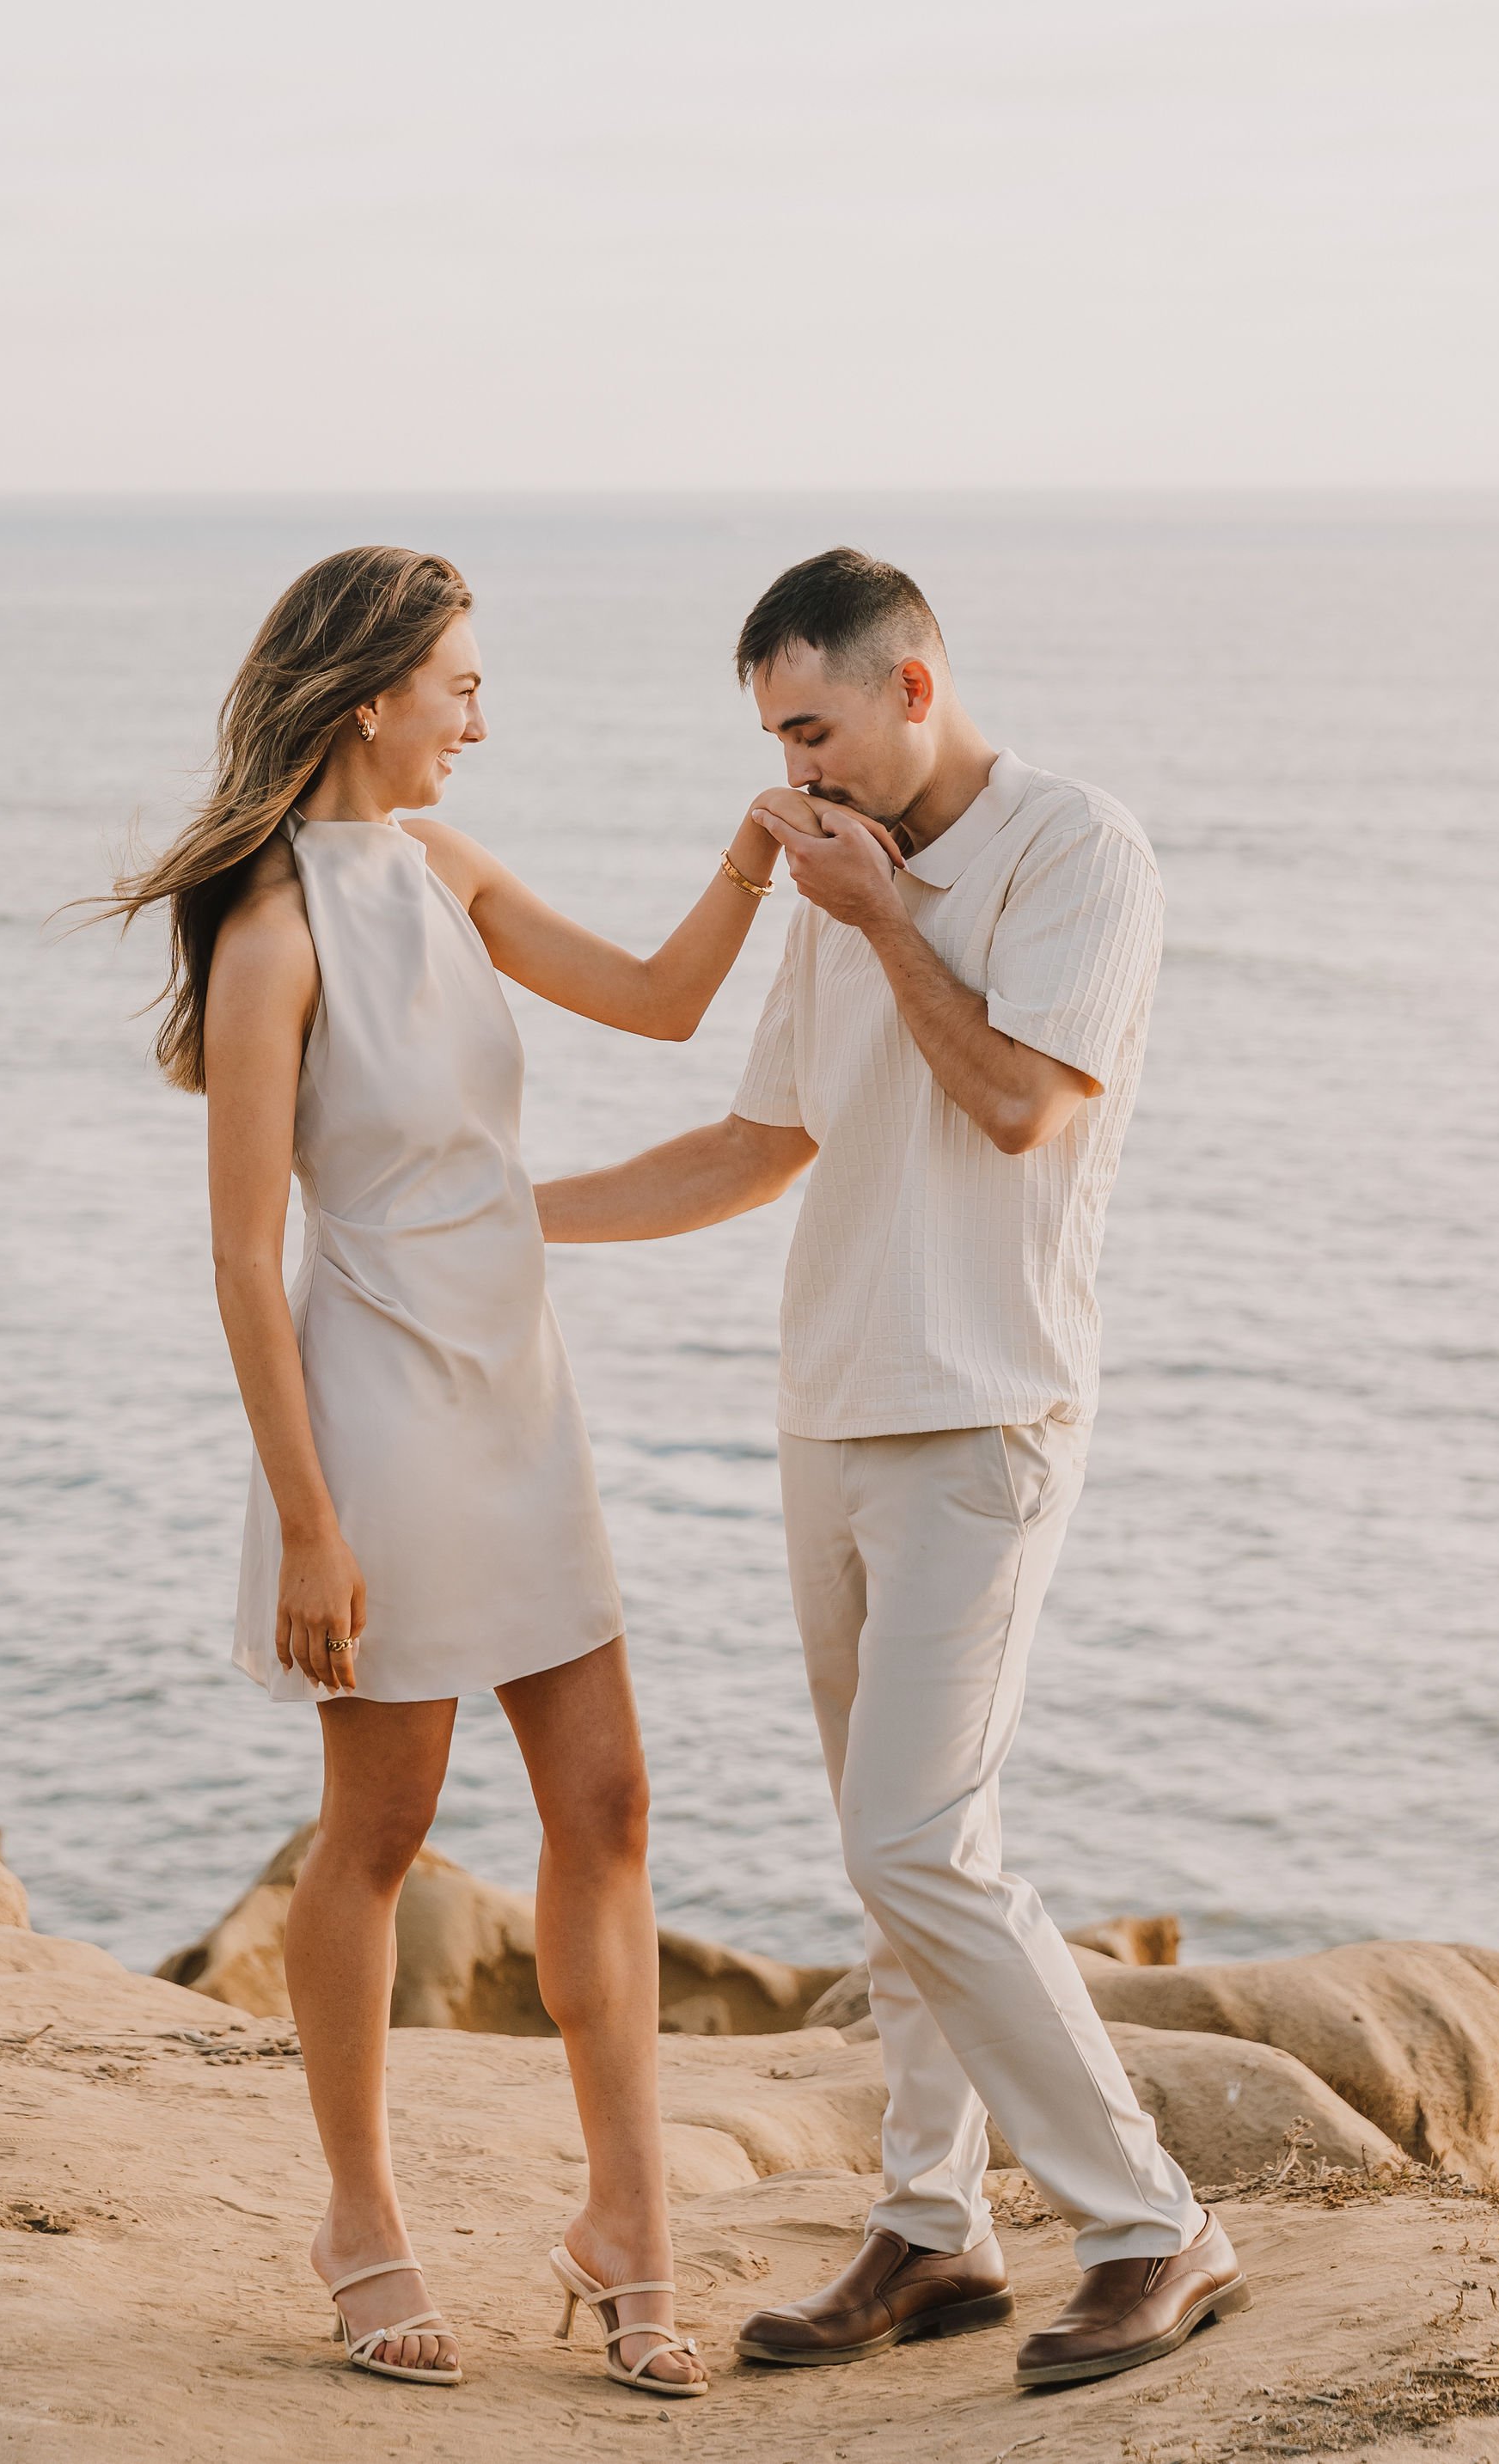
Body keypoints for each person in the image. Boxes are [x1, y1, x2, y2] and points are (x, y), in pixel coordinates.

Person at [534, 547, 1249, 2391]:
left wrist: (872, 918)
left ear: (911, 688)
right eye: (775, 737)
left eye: (812, 728)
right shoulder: (834, 887)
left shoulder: (1072, 851)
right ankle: (933, 2231)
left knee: (915, 1838)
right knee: (902, 1862)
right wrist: (501, 1220)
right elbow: (756, 1140)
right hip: (828, 1410)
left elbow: (1019, 1104)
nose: (793, 770)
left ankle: (1155, 2223)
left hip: (983, 1412)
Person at [102, 544, 790, 2397]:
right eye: (460, 685)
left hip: (520, 1389)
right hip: (380, 1411)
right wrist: (308, 1526)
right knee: (384, 1830)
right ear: (371, 693)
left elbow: (652, 1002)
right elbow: (246, 1260)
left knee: (611, 1804)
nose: (481, 718)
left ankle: (628, 2219)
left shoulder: (444, 872)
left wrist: (756, 858)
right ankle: (359, 2216)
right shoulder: (272, 933)